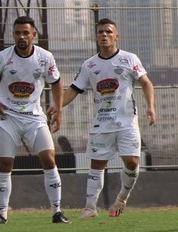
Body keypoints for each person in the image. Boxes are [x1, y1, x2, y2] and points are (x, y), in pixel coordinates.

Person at [60, 18, 156, 219]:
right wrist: (56, 107)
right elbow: (75, 89)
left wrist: (151, 107)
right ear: (96, 37)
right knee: (97, 164)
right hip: (102, 123)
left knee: (131, 162)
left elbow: (146, 83)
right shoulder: (89, 64)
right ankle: (89, 207)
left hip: (127, 122)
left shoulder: (129, 59)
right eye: (100, 32)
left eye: (108, 32)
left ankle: (122, 197)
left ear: (116, 36)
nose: (104, 35)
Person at [0, 15, 70, 225]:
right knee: (4, 164)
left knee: (49, 159)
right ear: (13, 35)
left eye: (26, 33)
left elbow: (56, 83)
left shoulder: (45, 57)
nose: (22, 37)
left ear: (34, 35)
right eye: (18, 33)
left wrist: (58, 109)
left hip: (35, 118)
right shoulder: (2, 57)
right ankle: (2, 214)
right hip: (8, 118)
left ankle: (57, 211)